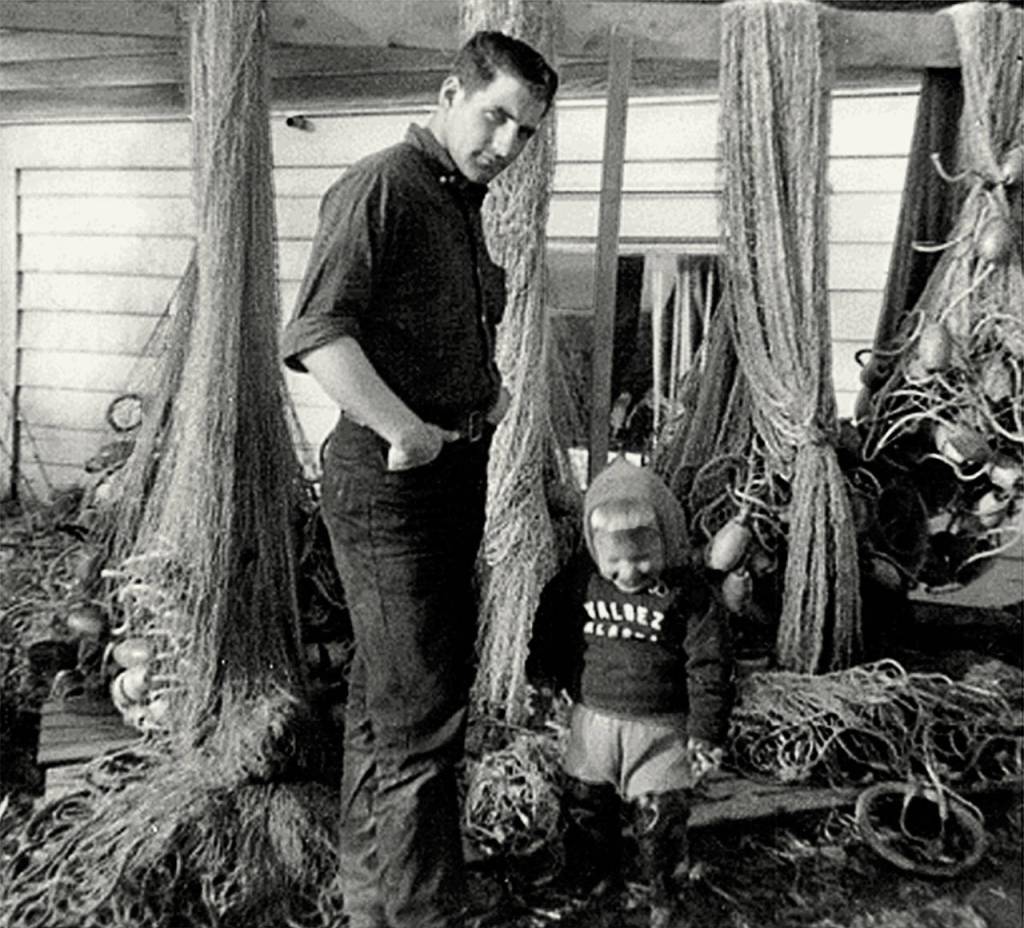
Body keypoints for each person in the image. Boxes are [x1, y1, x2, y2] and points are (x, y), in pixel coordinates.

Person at [280, 30, 557, 928]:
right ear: (449, 94)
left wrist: (488, 391)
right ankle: (426, 914)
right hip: (391, 483)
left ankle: (372, 899)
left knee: (386, 698)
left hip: (450, 473)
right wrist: (403, 427)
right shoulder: (385, 187)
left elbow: (430, 326)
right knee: (425, 716)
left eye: (526, 131)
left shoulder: (457, 200)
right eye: (496, 117)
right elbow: (319, 334)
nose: (507, 145)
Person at [526, 457, 733, 928]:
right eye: (614, 561)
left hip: (660, 730)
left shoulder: (689, 594)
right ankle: (596, 878)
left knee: (660, 819)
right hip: (592, 723)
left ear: (667, 538)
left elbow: (710, 665)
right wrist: (542, 677)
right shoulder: (579, 581)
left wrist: (706, 731)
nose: (628, 573)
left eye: (641, 558)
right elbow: (551, 629)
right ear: (593, 546)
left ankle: (664, 891)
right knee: (585, 808)